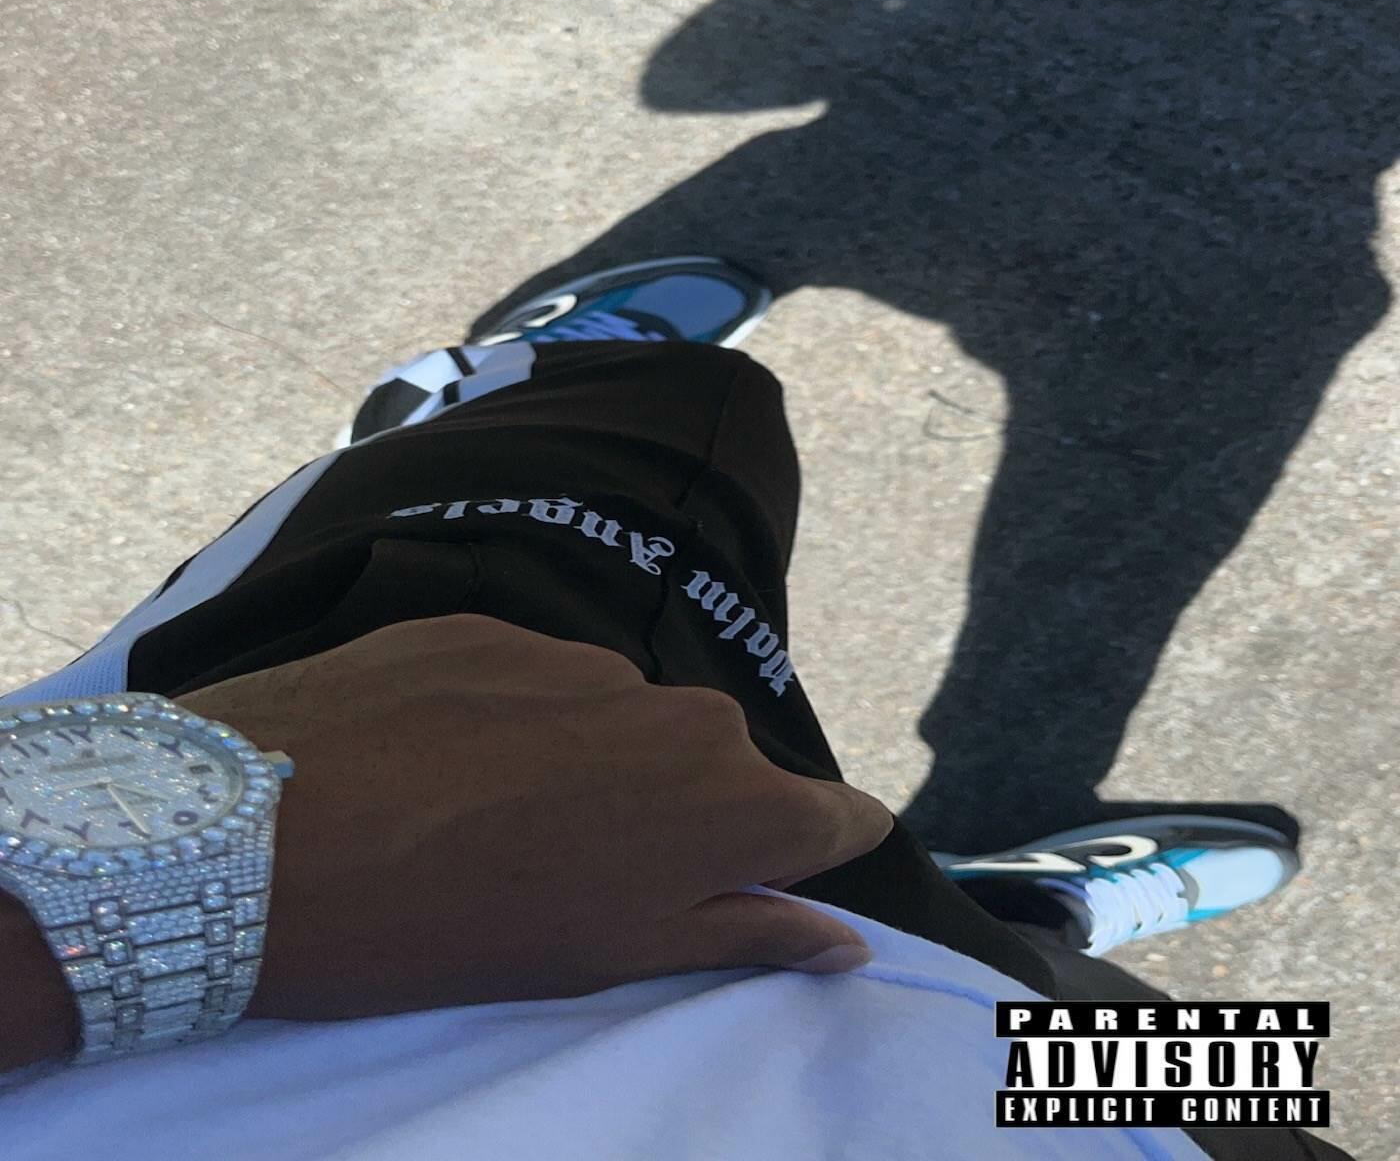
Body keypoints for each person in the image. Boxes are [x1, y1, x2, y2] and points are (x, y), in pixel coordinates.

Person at [0, 258, 1347, 1160]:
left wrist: (82, 921)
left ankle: (520, 377)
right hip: (1066, 1121)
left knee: (631, 460)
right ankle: (1015, 922)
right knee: (1200, 1066)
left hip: (287, 959)